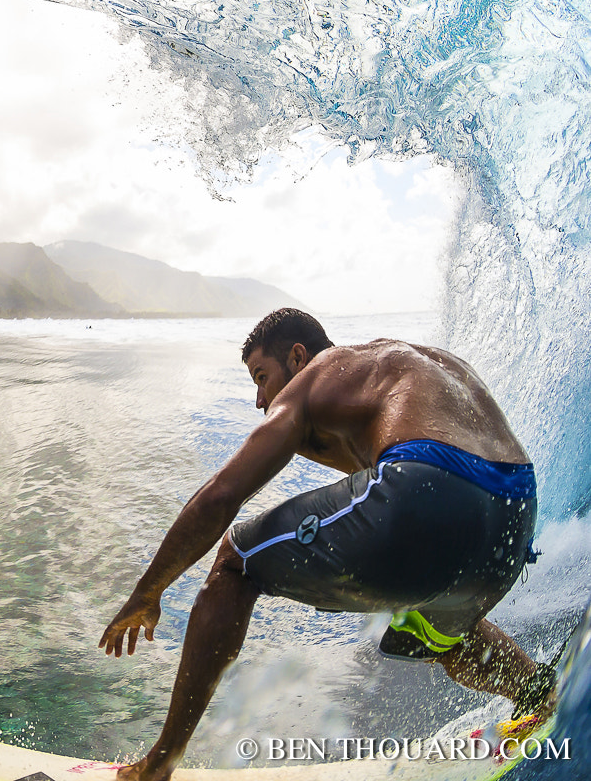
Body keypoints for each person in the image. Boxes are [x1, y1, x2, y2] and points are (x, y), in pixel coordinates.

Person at [99, 308, 553, 781]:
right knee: (428, 629)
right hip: (514, 519)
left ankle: (161, 762)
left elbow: (221, 495)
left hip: (428, 483)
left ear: (298, 356)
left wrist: (147, 593)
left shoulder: (314, 379)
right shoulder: (420, 366)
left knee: (236, 559)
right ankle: (538, 693)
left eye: (262, 377)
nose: (260, 400)